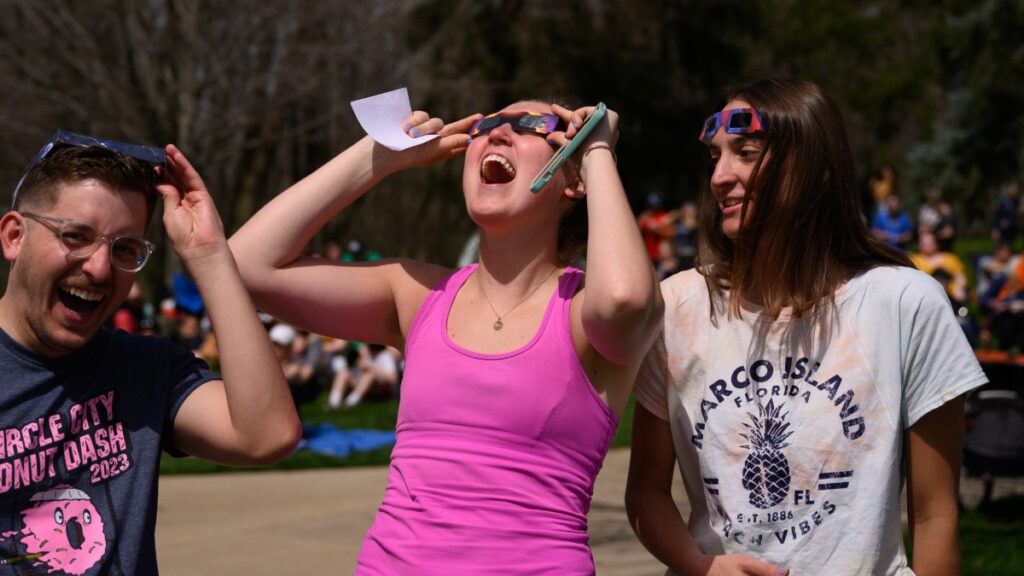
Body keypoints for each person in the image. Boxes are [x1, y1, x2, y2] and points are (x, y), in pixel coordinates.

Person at [230, 99, 663, 573]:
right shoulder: (417, 296)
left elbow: (625, 298)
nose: (498, 133)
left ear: (572, 177)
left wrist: (598, 151)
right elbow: (247, 266)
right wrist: (380, 156)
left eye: (531, 126)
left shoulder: (583, 313)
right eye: (488, 125)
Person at [625, 78, 987, 576]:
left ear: (814, 169)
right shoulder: (680, 307)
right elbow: (646, 491)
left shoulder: (904, 303)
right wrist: (701, 567)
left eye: (747, 153)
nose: (719, 178)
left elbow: (935, 514)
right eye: (715, 157)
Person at [0, 131, 301, 574]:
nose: (100, 268)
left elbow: (266, 435)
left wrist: (210, 256)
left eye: (124, 249)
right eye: (76, 236)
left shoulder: (144, 369)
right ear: (14, 237)